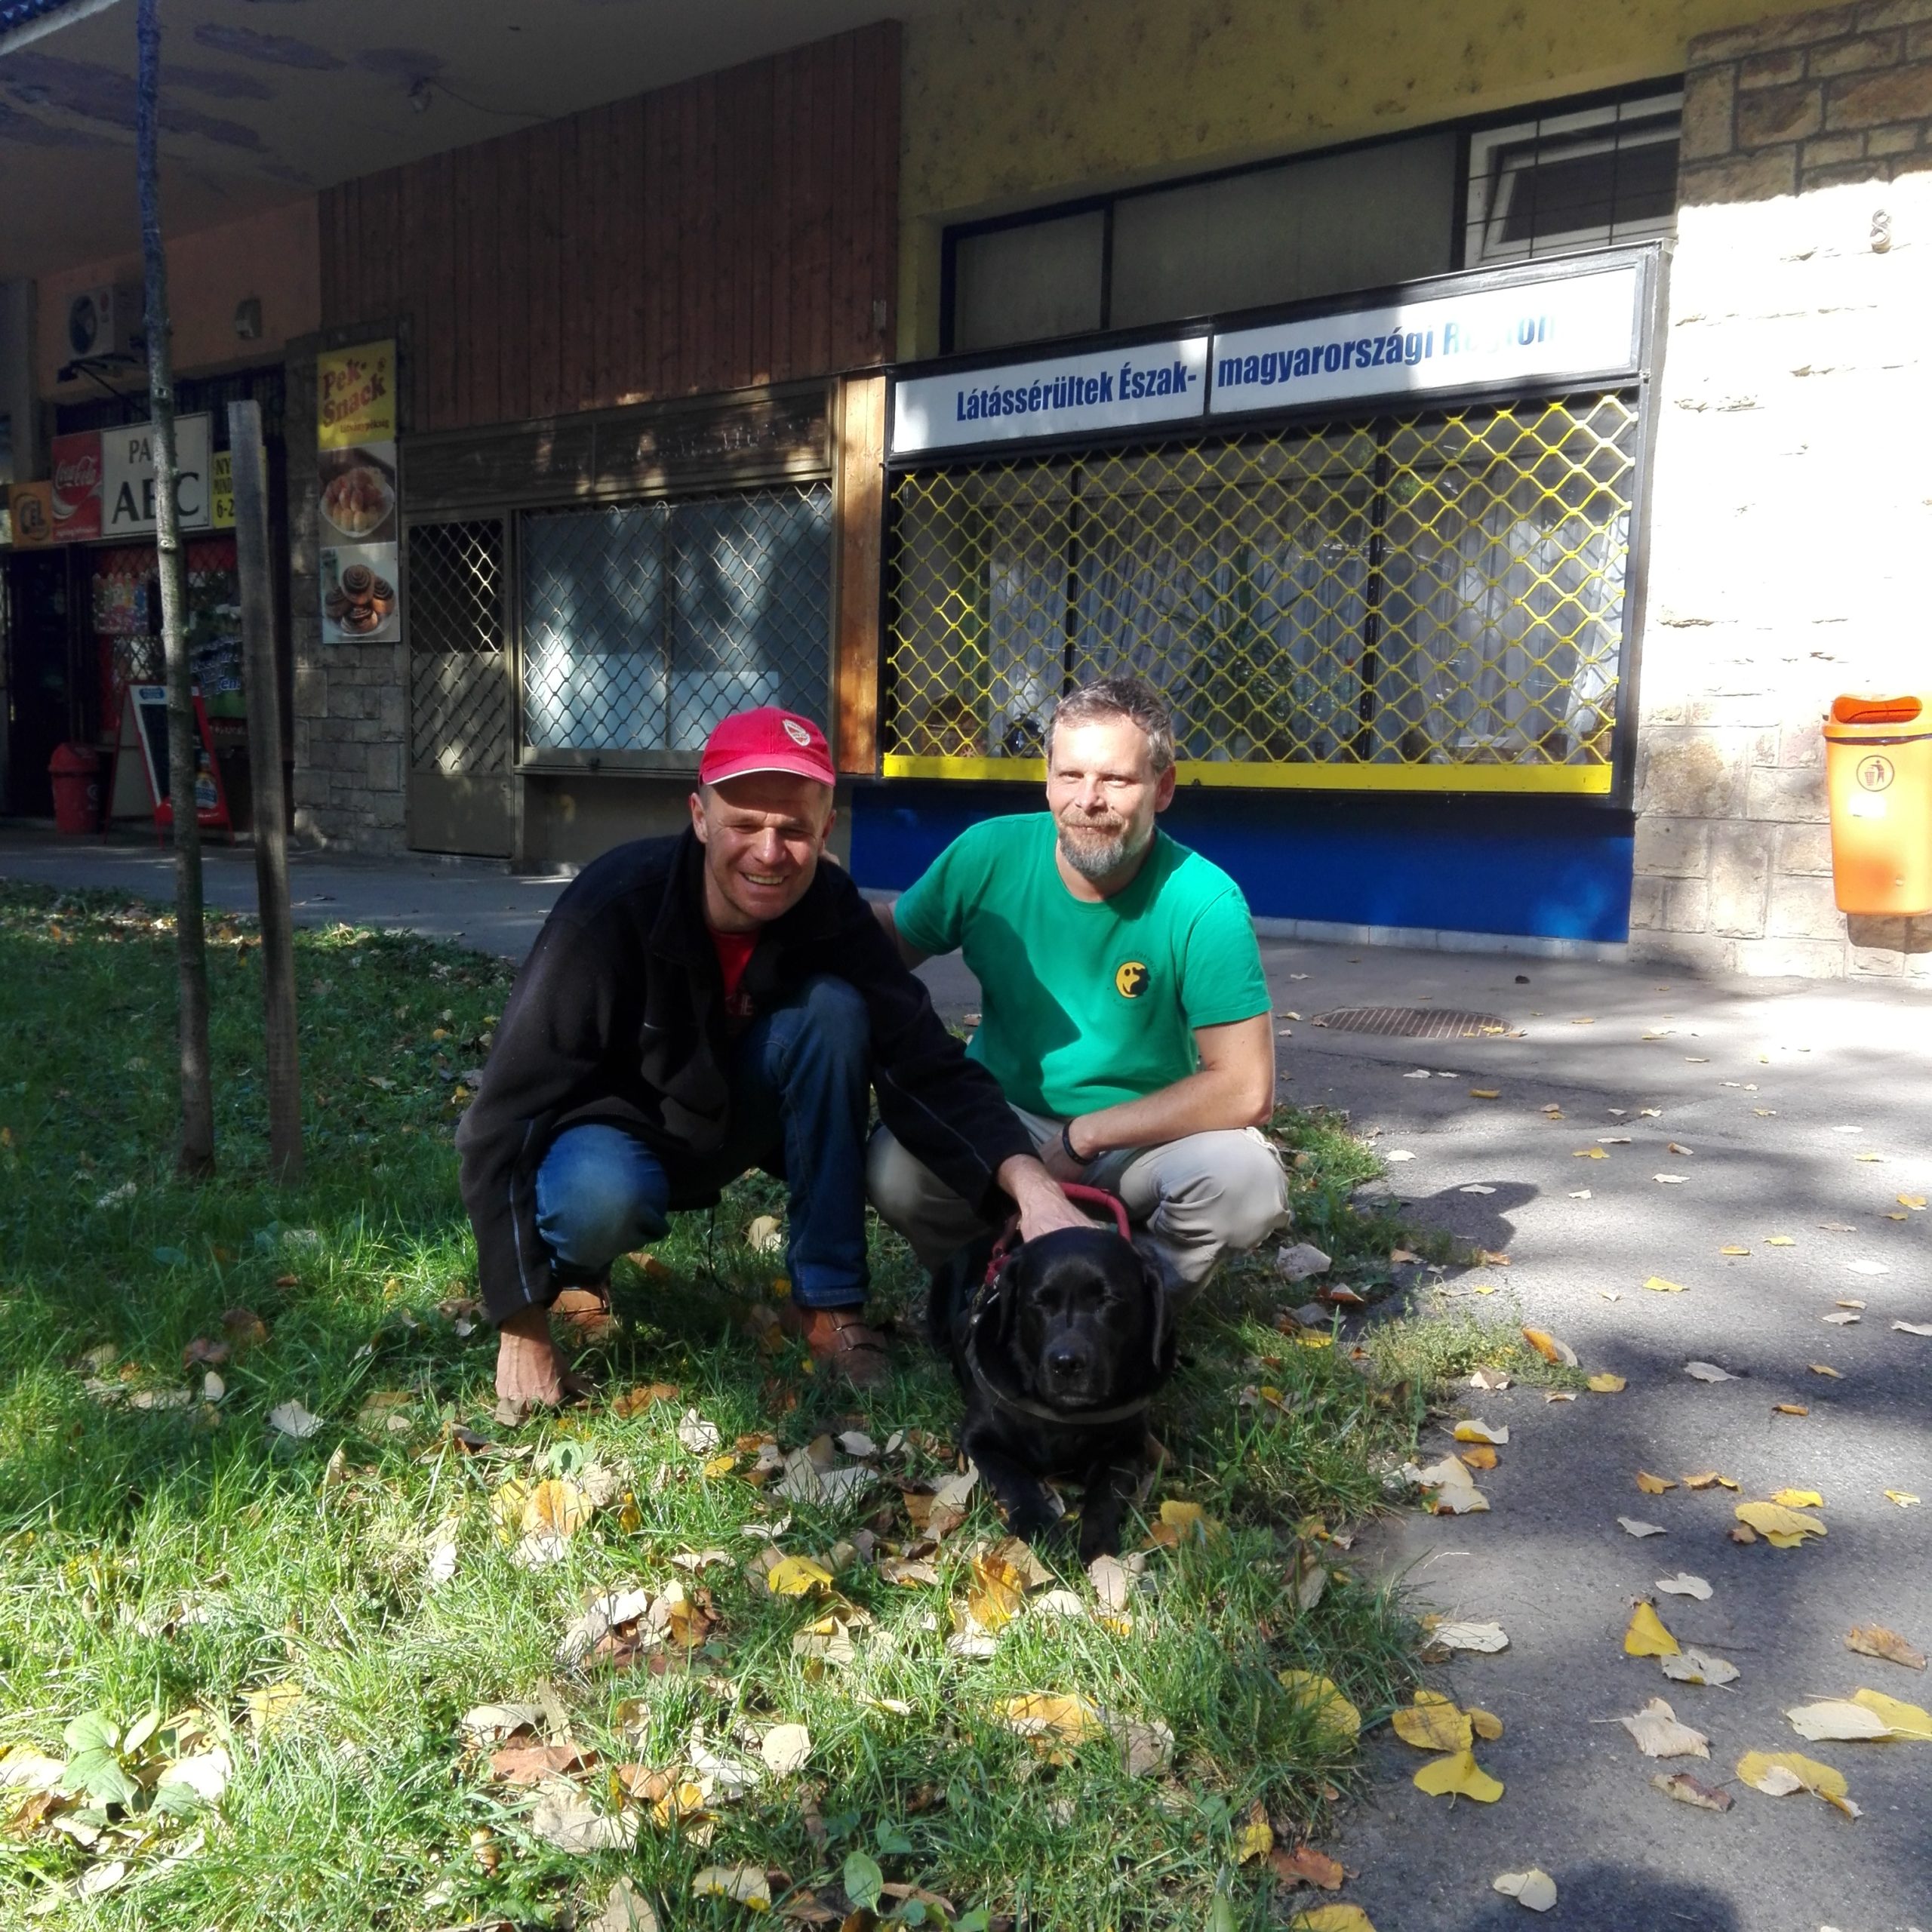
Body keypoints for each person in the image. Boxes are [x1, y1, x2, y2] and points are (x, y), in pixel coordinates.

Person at [458, 706, 1089, 1407]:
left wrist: (1034, 1190)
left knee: (834, 1011)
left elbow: (923, 1059)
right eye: (745, 824)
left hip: (739, 1115)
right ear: (700, 818)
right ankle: (578, 1271)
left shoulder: (830, 907)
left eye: (793, 829)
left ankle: (827, 1304)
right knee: (599, 1199)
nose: (768, 852)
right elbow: (501, 1120)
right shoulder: (611, 909)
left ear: (825, 831)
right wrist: (520, 1324)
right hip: (615, 1129)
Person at [867, 674, 1291, 1296]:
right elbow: (890, 946)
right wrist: (813, 898)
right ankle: (995, 1282)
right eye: (1070, 776)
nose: (1087, 799)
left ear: (1162, 788)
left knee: (1246, 1184)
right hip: (1003, 1118)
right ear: (1048, 779)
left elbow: (1246, 1088)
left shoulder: (1205, 901)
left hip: (1141, 1138)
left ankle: (1131, 1293)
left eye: (1115, 780)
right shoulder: (988, 855)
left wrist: (1085, 1135)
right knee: (893, 1170)